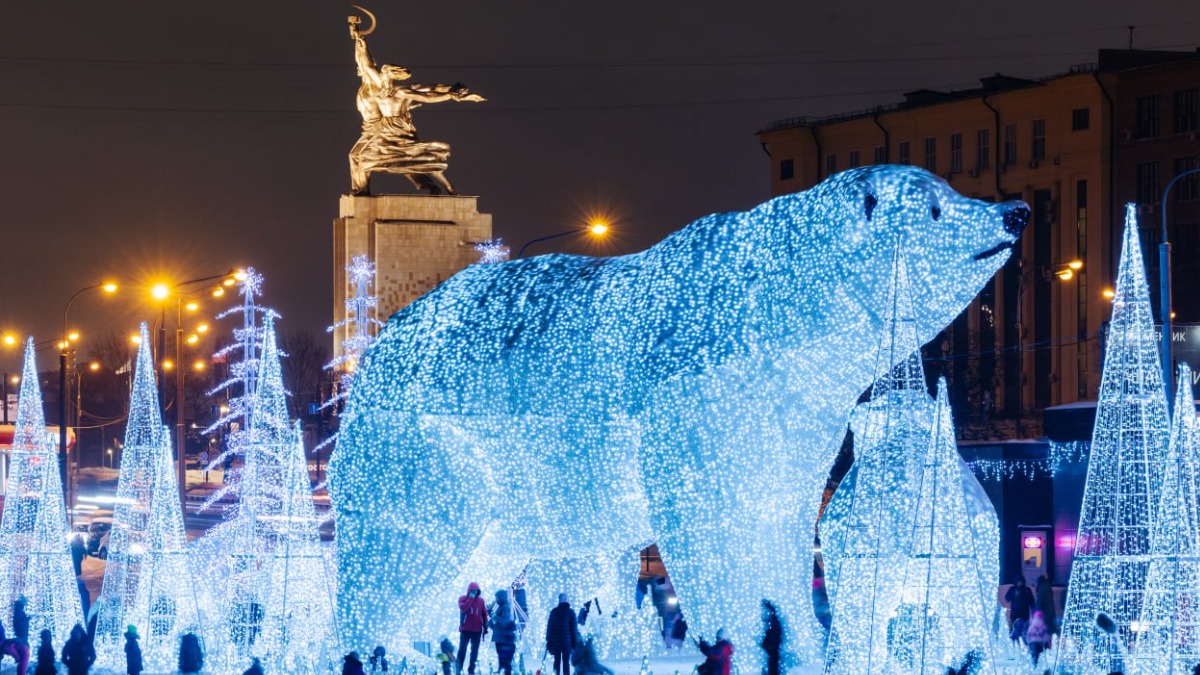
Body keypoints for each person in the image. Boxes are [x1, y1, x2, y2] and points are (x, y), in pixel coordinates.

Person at [457, 582, 489, 675]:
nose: (474, 592)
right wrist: (470, 598)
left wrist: (485, 626)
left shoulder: (481, 601)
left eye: (476, 591)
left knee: (474, 652)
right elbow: (464, 608)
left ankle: (471, 670)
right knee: (462, 649)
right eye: (473, 591)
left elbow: (484, 614)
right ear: (469, 590)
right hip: (465, 630)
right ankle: (458, 668)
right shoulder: (462, 599)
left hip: (477, 631)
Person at [546, 593, 578, 675]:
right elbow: (574, 630)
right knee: (566, 663)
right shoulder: (571, 612)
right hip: (567, 643)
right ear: (567, 600)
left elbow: (550, 627)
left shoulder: (554, 612)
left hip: (556, 643)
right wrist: (575, 644)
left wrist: (548, 641)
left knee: (556, 662)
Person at [489, 589, 518, 675]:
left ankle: (504, 670)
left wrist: (495, 616)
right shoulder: (502, 606)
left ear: (501, 597)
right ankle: (501, 669)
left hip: (502, 636)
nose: (496, 599)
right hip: (500, 635)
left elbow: (504, 621)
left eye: (497, 597)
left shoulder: (505, 607)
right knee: (500, 654)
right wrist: (490, 612)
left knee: (503, 655)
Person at [761, 600, 783, 675]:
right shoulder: (774, 622)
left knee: (773, 666)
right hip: (773, 649)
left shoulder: (774, 622)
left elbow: (774, 636)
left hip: (773, 649)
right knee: (773, 665)